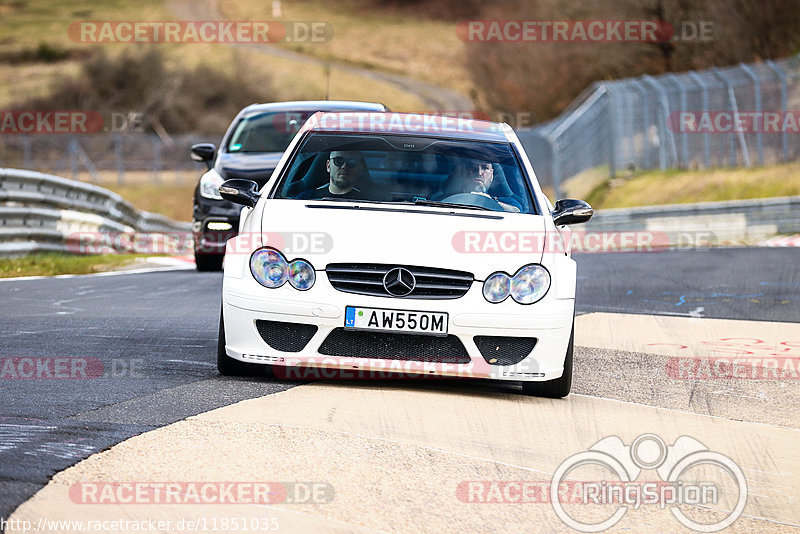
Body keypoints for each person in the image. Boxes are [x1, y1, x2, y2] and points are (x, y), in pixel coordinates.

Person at [441, 158, 521, 212]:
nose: (479, 173)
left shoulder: (505, 201)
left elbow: (517, 212)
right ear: (464, 173)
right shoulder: (442, 200)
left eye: (485, 168)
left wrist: (488, 201)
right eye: (472, 167)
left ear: (492, 175)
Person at [297, 151, 367, 200]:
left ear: (360, 169)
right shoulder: (305, 199)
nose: (344, 166)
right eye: (338, 161)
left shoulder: (369, 203)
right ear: (328, 166)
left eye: (351, 162)